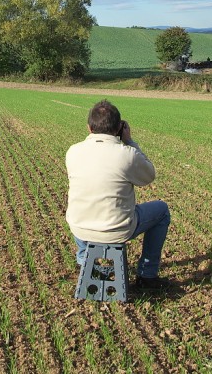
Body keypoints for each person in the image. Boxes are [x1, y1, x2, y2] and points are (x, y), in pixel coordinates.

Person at [66, 100, 171, 290]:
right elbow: (149, 176)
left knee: (84, 207)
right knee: (162, 210)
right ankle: (147, 275)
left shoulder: (72, 151)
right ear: (119, 127)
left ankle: (84, 261)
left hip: (79, 228)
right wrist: (130, 141)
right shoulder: (127, 154)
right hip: (117, 228)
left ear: (89, 128)